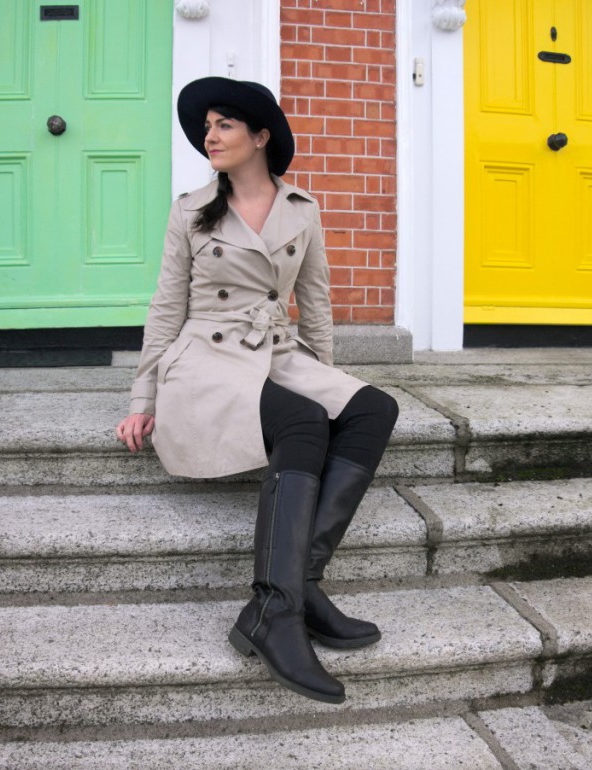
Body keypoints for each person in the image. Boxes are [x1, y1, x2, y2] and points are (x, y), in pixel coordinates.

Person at [116, 77, 398, 704]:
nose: (209, 136)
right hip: (204, 357)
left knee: (374, 407)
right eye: (206, 127)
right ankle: (280, 609)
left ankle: (293, 586)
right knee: (299, 423)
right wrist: (144, 398)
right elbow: (166, 307)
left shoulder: (302, 208)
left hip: (274, 350)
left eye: (224, 125)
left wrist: (328, 380)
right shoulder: (191, 209)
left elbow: (316, 301)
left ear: (260, 135)